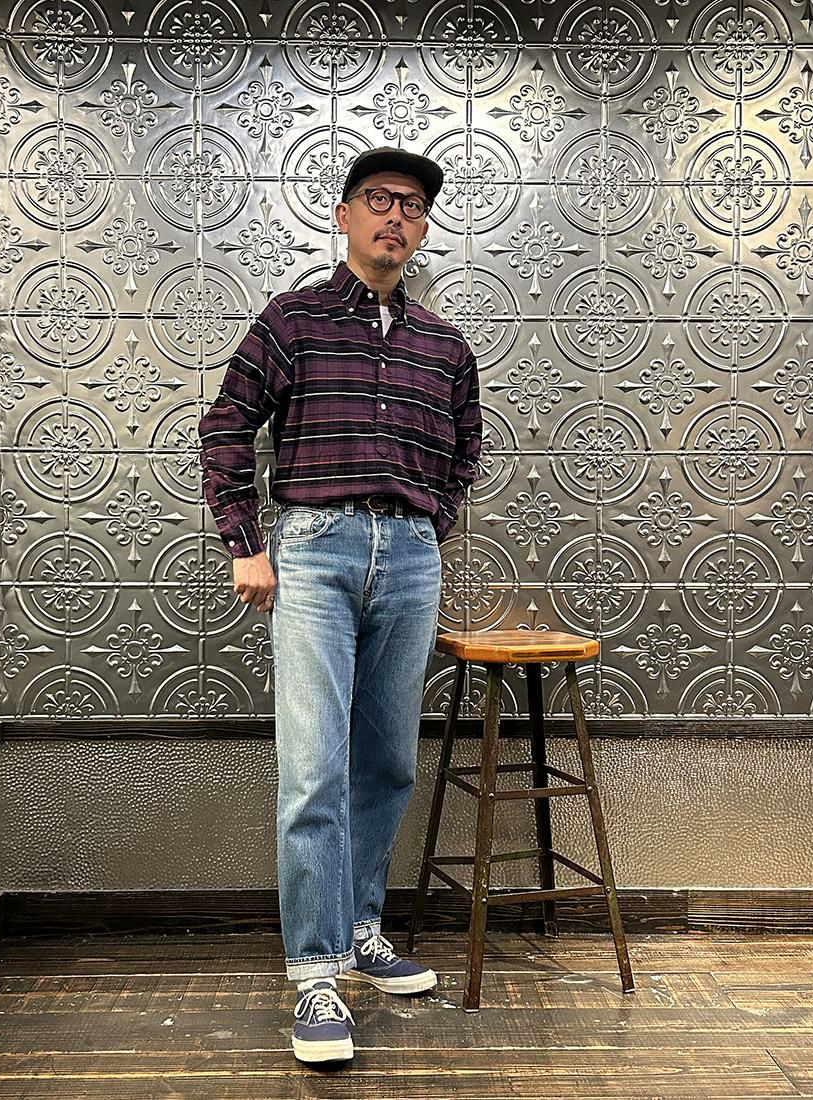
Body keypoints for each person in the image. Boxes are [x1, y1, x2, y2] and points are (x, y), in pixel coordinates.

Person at [199, 146, 483, 1065]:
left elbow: (465, 451)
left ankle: (362, 929)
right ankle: (315, 973)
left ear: (424, 229)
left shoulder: (445, 346)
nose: (397, 217)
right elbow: (225, 425)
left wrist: (429, 523)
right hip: (314, 553)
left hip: (410, 557)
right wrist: (246, 544)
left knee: (387, 761)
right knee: (314, 767)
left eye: (413, 207)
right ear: (344, 215)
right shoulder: (293, 320)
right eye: (379, 200)